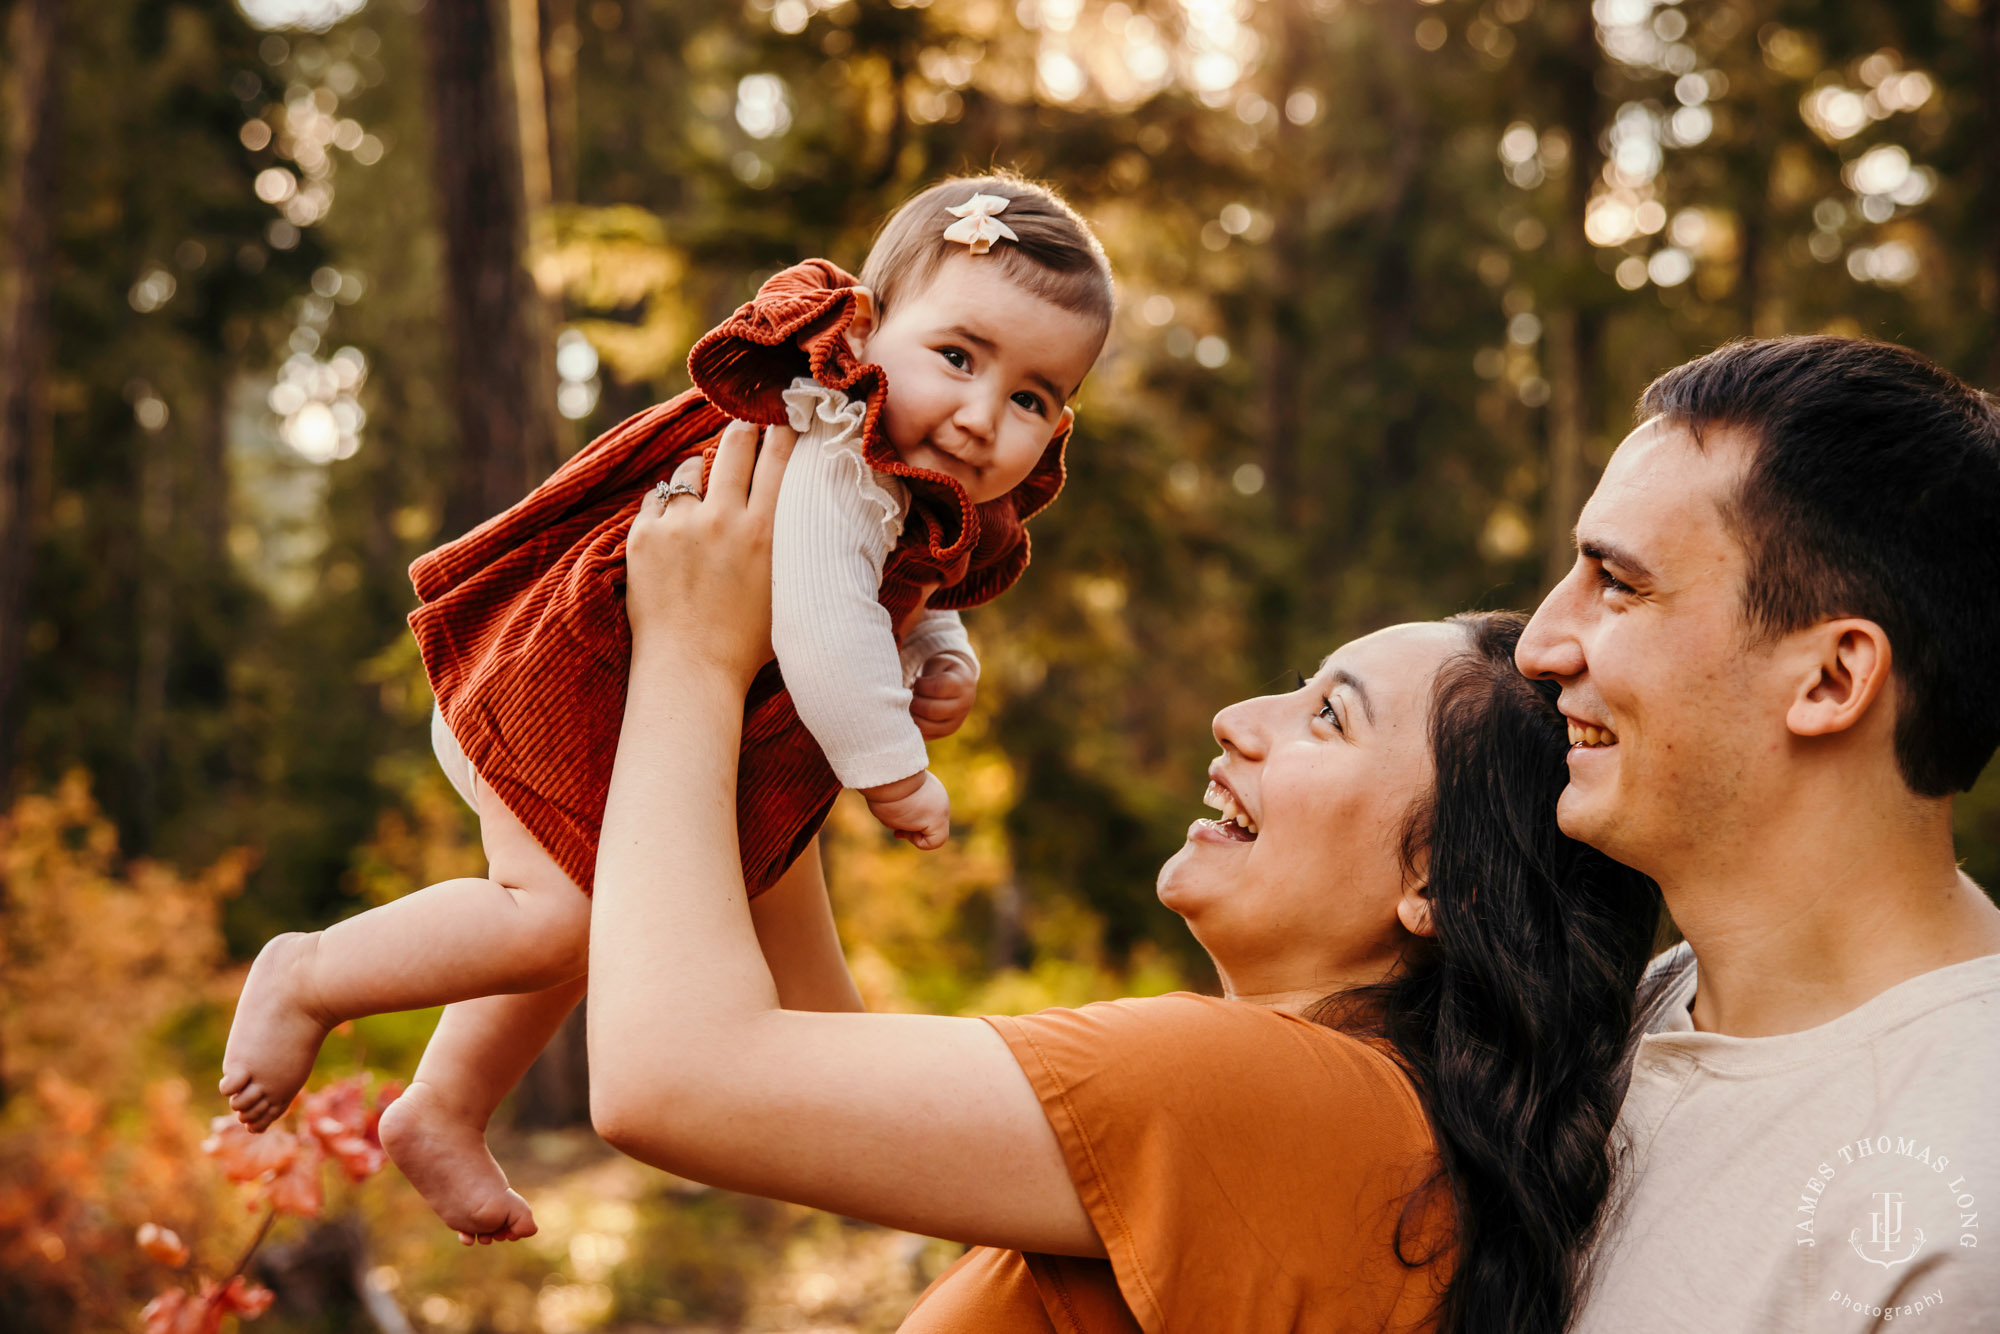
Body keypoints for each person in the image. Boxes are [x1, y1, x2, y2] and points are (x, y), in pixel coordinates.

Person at [583, 423, 1663, 1333]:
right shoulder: (1367, 1130)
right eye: (1295, 687)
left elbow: (670, 1079)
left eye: (1326, 716)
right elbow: (817, 1085)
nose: (1237, 720)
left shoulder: (1271, 1093)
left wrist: (688, 646)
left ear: (1440, 883)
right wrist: (784, 716)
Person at [215, 174, 1115, 1244]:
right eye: (958, 358)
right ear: (866, 334)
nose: (980, 416)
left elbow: (887, 581)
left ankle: (443, 1106)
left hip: (631, 698)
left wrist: (935, 644)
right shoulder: (838, 453)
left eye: (1031, 398)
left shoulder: (896, 471)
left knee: (608, 911)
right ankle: (311, 972)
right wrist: (893, 770)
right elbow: (827, 632)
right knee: (557, 915)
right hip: (567, 680)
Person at [1516, 335, 2000, 1330]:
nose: (1536, 643)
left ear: (1828, 678)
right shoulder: (1626, 1017)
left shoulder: (1960, 1206)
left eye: (1617, 582)